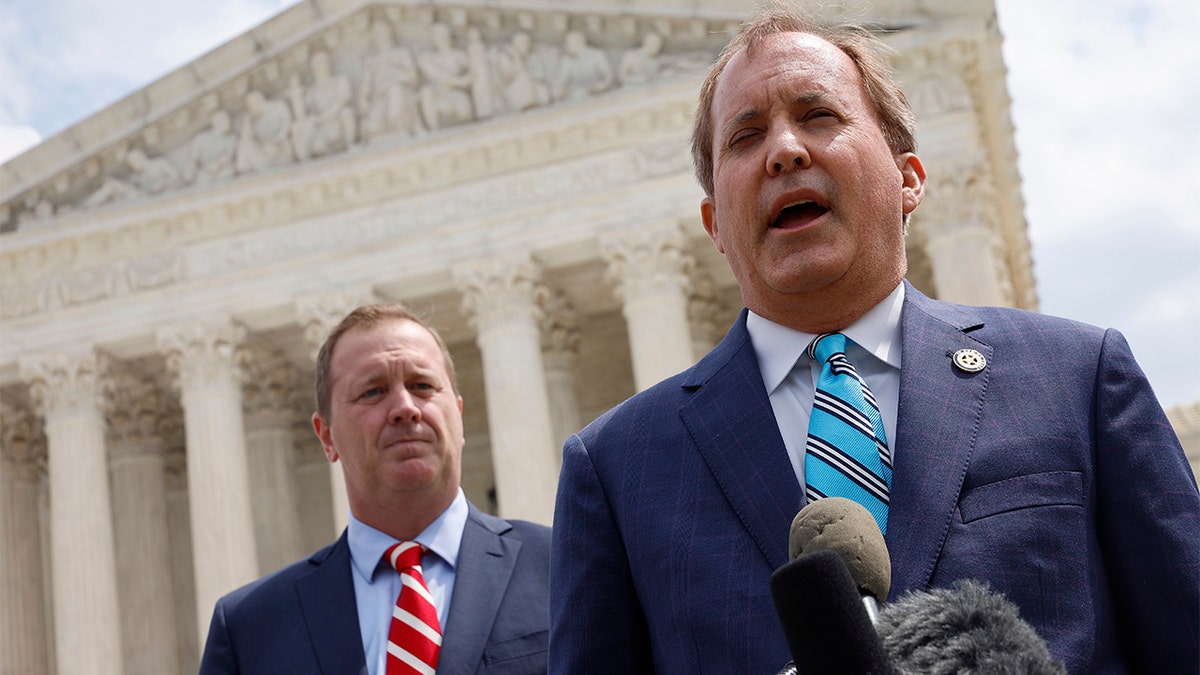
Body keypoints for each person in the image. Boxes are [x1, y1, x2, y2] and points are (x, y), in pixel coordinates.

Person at [549, 7, 1200, 675]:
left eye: (819, 115)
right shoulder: (617, 467)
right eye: (745, 137)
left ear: (909, 178)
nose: (784, 150)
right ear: (715, 224)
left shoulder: (1076, 378)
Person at [200, 304, 551, 674]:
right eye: (373, 391)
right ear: (326, 436)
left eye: (422, 386)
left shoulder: (561, 568)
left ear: (458, 417)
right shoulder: (250, 627)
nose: (404, 408)